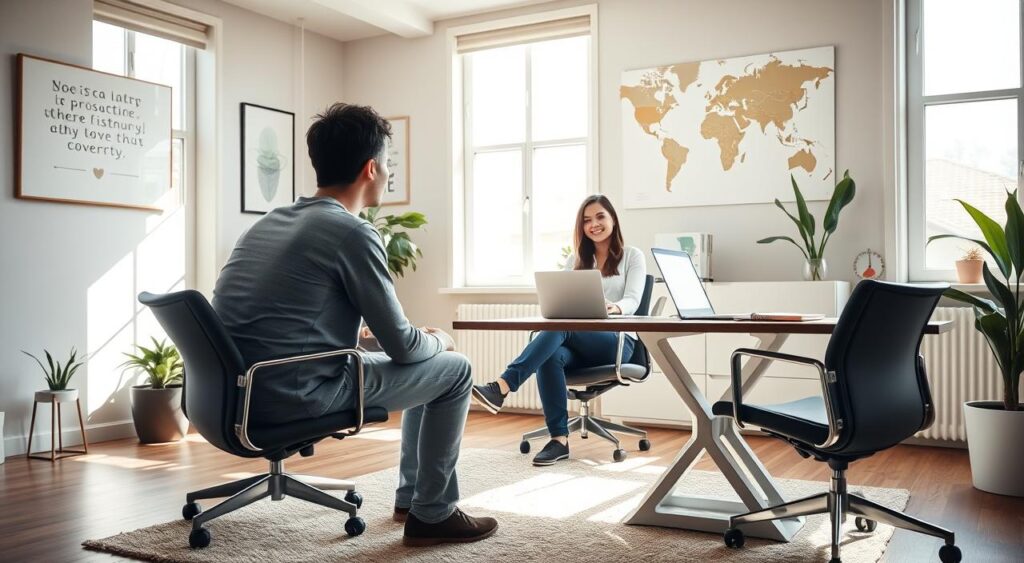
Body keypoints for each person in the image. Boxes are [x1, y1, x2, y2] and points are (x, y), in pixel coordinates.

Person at [212, 103, 497, 547]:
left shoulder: (267, 224)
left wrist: (364, 337)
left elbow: (283, 319)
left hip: (233, 396)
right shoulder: (352, 232)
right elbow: (404, 347)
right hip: (298, 395)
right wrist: (438, 339)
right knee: (454, 369)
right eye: (387, 166)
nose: (387, 175)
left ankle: (411, 498)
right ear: (371, 168)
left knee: (429, 370)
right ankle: (434, 514)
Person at [471, 195, 647, 466]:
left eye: (600, 217)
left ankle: (503, 386)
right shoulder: (575, 260)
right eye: (587, 220)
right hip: (579, 342)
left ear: (613, 219)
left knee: (560, 327)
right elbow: (563, 303)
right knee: (551, 352)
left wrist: (616, 308)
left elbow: (634, 299)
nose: (594, 224)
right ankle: (559, 441)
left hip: (618, 342)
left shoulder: (632, 256)